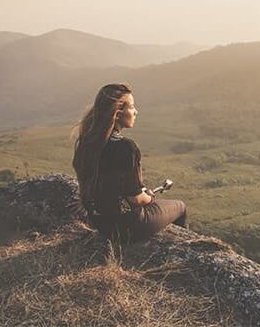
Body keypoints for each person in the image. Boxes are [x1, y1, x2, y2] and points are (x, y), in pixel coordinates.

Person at [71, 83, 188, 244]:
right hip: (127, 227)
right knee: (180, 207)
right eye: (132, 107)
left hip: (100, 224)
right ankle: (180, 252)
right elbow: (136, 200)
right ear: (118, 113)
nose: (135, 111)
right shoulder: (126, 147)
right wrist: (149, 197)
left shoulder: (87, 142)